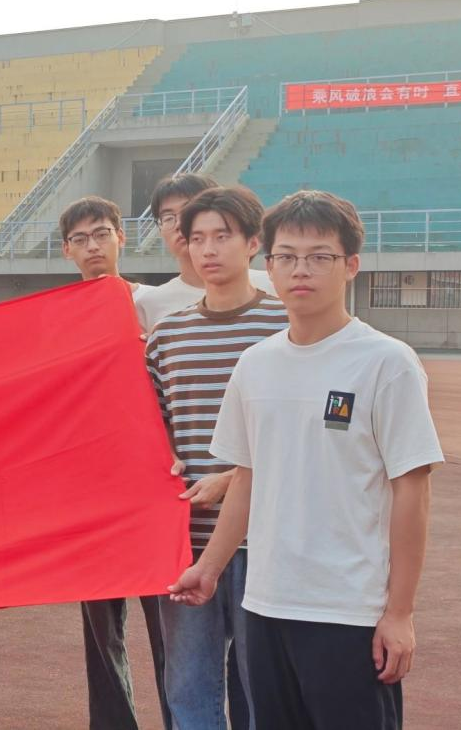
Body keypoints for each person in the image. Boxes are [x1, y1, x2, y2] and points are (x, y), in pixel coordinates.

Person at [169, 190, 443, 729]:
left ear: (351, 266)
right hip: (265, 605)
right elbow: (247, 478)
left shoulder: (386, 363)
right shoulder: (255, 365)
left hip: (348, 611)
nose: (301, 270)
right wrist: (210, 567)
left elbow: (412, 490)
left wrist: (400, 612)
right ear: (268, 263)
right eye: (287, 256)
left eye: (320, 256)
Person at [145, 186, 288, 729]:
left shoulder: (286, 327)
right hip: (186, 542)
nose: (207, 249)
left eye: (222, 236)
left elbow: (298, 437)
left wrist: (230, 479)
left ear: (253, 243)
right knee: (188, 687)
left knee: (263, 687)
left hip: (266, 542)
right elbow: (150, 430)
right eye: (197, 237)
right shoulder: (166, 337)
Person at [57, 196, 170, 730]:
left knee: (170, 624)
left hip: (153, 485)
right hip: (89, 488)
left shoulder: (152, 305)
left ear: (121, 238)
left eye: (101, 234)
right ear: (66, 250)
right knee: (101, 628)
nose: (93, 246)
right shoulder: (56, 317)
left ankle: (183, 718)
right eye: (80, 239)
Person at [135, 174, 274, 332]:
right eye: (168, 218)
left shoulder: (274, 285)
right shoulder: (149, 305)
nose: (179, 224)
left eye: (187, 211)